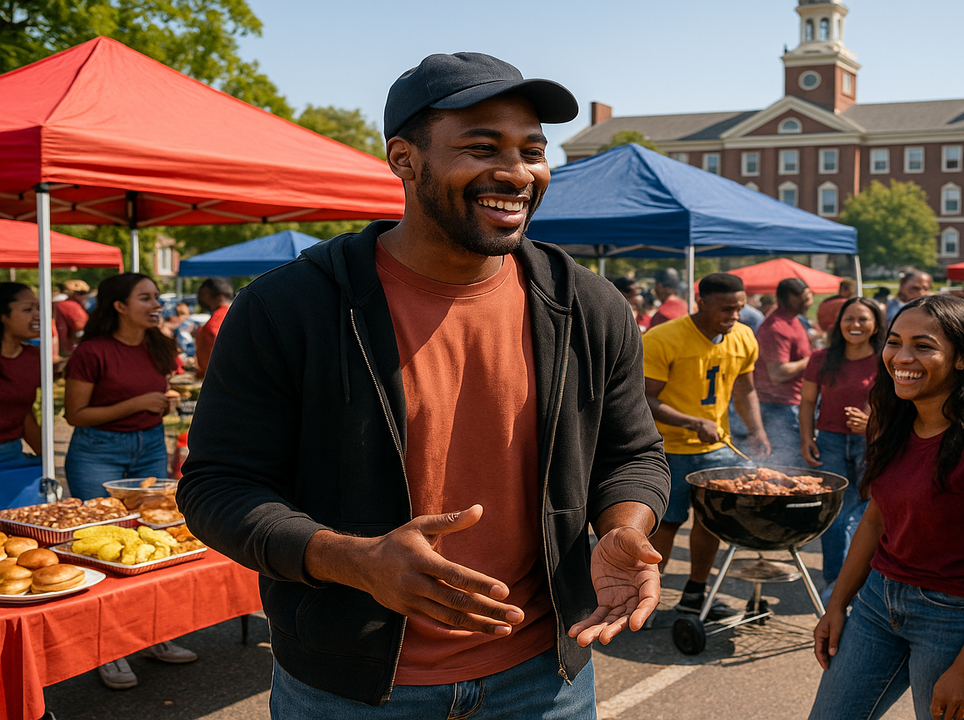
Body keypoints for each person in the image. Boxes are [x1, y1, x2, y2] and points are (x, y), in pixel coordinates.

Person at [177, 52, 670, 718]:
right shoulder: (289, 307)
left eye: (532, 150)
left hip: (543, 679)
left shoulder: (589, 306)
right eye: (481, 147)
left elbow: (633, 455)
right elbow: (217, 485)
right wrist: (355, 560)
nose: (516, 173)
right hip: (348, 688)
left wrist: (622, 527)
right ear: (404, 159)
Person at [810, 294, 964, 720]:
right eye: (894, 342)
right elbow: (877, 518)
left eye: (924, 345)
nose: (901, 357)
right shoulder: (894, 418)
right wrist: (838, 603)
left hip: (961, 619)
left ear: (962, 359)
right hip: (879, 603)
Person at [63, 272, 196, 689]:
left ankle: (156, 633)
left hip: (150, 447)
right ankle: (110, 651)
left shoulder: (160, 345)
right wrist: (138, 402)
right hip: (97, 452)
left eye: (157, 297)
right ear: (119, 306)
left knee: (154, 543)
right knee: (102, 548)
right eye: (146, 298)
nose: (157, 304)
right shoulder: (93, 351)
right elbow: (75, 415)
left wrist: (162, 400)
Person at [644, 272, 771, 619]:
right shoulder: (663, 338)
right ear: (701, 303)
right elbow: (645, 397)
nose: (734, 316)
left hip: (717, 449)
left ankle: (695, 594)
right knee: (665, 524)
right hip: (667, 449)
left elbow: (745, 389)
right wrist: (691, 422)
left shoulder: (743, 336)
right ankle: (647, 597)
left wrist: (756, 430)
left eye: (740, 308)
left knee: (710, 523)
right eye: (726, 309)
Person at [799, 297, 885, 588]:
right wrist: (806, 438)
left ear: (875, 325)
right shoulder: (821, 358)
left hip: (872, 444)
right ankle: (835, 582)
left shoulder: (887, 357)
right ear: (839, 323)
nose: (855, 325)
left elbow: (901, 403)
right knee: (833, 515)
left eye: (863, 319)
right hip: (830, 442)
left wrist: (871, 423)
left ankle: (867, 579)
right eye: (849, 319)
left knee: (870, 513)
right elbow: (808, 401)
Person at [754, 278, 813, 467]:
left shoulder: (793, 321)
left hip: (791, 403)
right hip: (778, 407)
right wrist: (812, 360)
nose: (810, 302)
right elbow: (778, 373)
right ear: (790, 297)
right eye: (806, 297)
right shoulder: (775, 327)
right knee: (785, 465)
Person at [0, 283, 41, 462]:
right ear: (3, 316)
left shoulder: (33, 357)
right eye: (27, 309)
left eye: (38, 308)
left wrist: (46, 459)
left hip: (11, 454)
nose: (38, 315)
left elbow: (23, 412)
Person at [195, 277, 233, 379]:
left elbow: (215, 362)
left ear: (207, 294)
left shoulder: (213, 324)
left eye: (201, 294)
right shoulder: (235, 314)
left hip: (219, 381)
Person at [53, 278, 90, 357]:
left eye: (85, 293)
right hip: (73, 349)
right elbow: (62, 329)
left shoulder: (64, 305)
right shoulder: (67, 306)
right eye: (80, 293)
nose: (85, 296)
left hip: (74, 348)